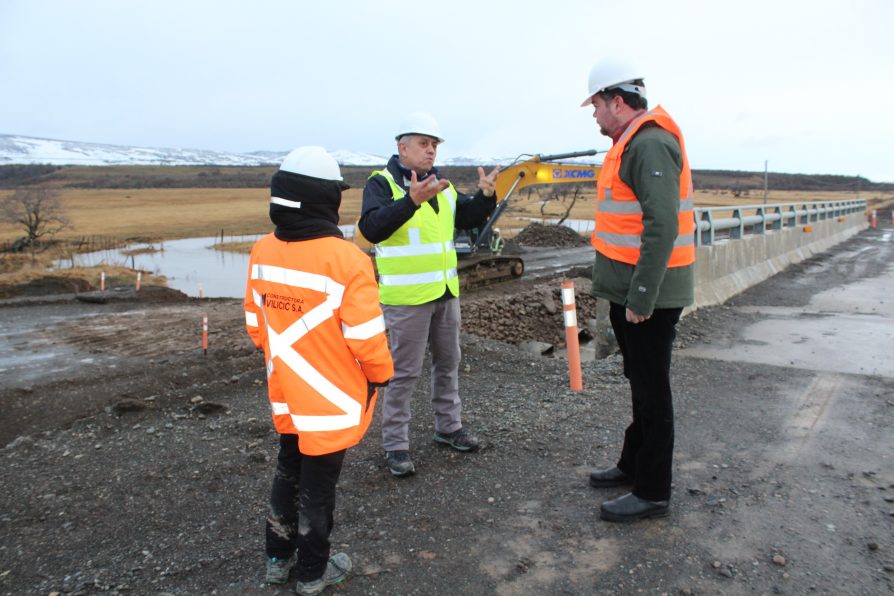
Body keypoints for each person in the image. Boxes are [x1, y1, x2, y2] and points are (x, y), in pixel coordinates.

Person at [244, 146, 394, 593]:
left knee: (288, 470)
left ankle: (277, 559)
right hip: (331, 401)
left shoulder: (261, 250)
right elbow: (367, 342)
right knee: (317, 488)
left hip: (288, 392)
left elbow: (256, 328)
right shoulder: (347, 260)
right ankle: (311, 574)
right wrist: (382, 375)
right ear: (327, 199)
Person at [580, 60, 695, 521]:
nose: (593, 116)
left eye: (596, 107)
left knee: (652, 390)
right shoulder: (630, 143)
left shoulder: (649, 144)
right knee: (640, 386)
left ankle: (653, 490)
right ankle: (634, 464)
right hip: (629, 294)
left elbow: (662, 225)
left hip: (648, 297)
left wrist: (642, 297)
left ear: (618, 102)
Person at [358, 111, 500, 477]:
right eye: (424, 143)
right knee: (403, 374)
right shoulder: (381, 184)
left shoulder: (444, 186)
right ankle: (395, 446)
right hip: (406, 300)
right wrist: (410, 201)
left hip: (445, 293)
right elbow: (372, 229)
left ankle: (448, 428)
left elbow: (467, 217)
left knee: (448, 363)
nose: (430, 150)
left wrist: (486, 197)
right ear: (401, 146)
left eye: (434, 144)